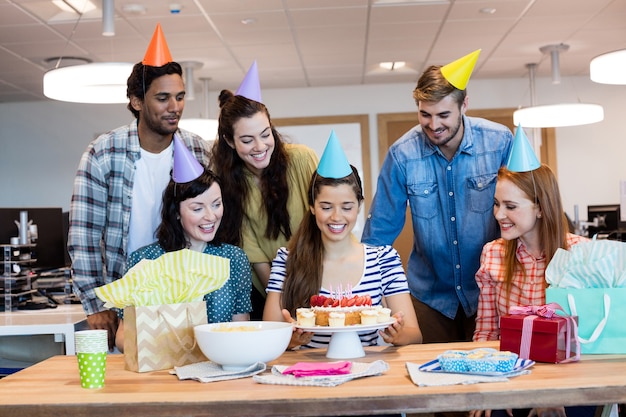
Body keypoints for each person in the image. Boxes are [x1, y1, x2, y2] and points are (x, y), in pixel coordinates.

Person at [68, 24, 211, 350]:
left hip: (184, 292)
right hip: (126, 296)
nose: (175, 107)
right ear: (136, 101)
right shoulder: (103, 152)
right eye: (162, 98)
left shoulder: (199, 150)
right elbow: (84, 235)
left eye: (179, 96)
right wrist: (95, 304)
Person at [361, 50, 513, 343]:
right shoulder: (402, 154)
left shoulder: (499, 142)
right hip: (429, 297)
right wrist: (362, 295)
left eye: (443, 115)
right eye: (424, 115)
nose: (433, 125)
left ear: (464, 105)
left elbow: (525, 212)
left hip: (491, 291)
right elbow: (379, 232)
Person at [471, 128, 595, 417]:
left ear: (540, 208)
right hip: (509, 375)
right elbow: (487, 334)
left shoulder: (581, 255)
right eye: (497, 204)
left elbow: (591, 341)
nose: (499, 214)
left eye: (511, 206)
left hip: (570, 378)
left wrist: (552, 391)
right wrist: (490, 388)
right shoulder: (493, 253)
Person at [264, 131, 422, 350]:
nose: (336, 217)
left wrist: (397, 334)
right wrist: (290, 341)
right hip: (309, 375)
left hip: (366, 371)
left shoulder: (383, 259)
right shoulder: (287, 259)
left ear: (359, 206)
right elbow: (268, 334)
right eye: (326, 207)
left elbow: (414, 335)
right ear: (311, 207)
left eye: (347, 207)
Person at [211, 62, 319, 319]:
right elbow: (254, 253)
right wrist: (282, 300)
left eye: (265, 134)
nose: (260, 147)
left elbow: (324, 216)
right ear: (229, 141)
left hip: (317, 275)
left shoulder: (302, 160)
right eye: (247, 140)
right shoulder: (229, 184)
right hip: (269, 288)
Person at [115, 165, 252, 352]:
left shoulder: (234, 259)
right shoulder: (145, 260)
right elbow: (124, 337)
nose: (211, 216)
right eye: (197, 209)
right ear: (177, 212)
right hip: (161, 371)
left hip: (219, 369)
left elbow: (240, 331)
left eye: (216, 204)